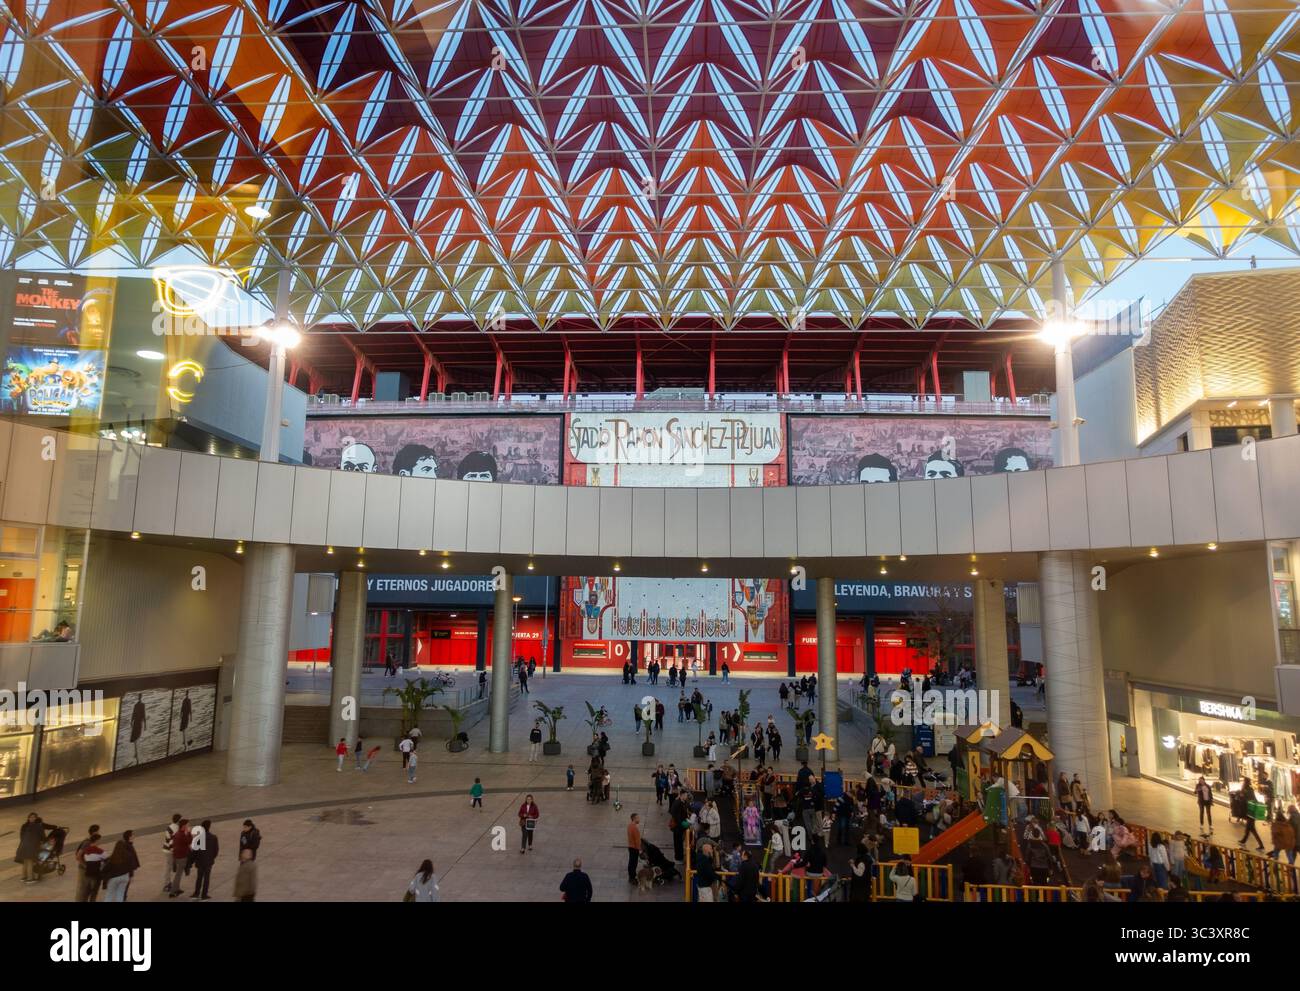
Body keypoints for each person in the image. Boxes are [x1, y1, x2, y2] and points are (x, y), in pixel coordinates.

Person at [102, 832, 140, 902]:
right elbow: (131, 866)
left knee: (109, 896)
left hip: (113, 878)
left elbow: (105, 869)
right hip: (125, 877)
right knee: (120, 895)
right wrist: (131, 876)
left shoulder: (113, 858)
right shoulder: (128, 856)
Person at [73, 826, 106, 902]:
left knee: (88, 889)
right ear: (94, 832)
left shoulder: (89, 842)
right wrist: (85, 866)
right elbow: (78, 856)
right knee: (83, 890)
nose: (99, 833)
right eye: (98, 831)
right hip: (84, 870)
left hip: (88, 869)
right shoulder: (87, 843)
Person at [191, 819, 219, 900]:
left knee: (199, 877)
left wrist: (193, 860)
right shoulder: (213, 837)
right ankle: (204, 894)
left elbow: (195, 851)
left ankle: (196, 893)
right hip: (208, 862)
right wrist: (211, 858)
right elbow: (216, 851)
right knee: (207, 878)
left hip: (200, 861)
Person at [1239, 778, 1265, 851]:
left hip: (1250, 811)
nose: (1243, 783)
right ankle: (1243, 841)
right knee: (1249, 828)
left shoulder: (1246, 790)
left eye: (1244, 781)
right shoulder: (1250, 789)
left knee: (1252, 829)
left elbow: (1246, 800)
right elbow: (1254, 799)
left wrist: (1242, 797)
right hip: (1251, 811)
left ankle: (1261, 845)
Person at [168, 819, 192, 897]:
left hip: (177, 856)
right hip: (181, 857)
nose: (189, 826)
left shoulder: (177, 833)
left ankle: (177, 889)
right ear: (184, 826)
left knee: (179, 874)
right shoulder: (182, 835)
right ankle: (173, 891)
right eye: (188, 825)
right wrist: (188, 833)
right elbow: (189, 841)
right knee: (178, 875)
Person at [162, 813, 182, 892]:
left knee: (169, 867)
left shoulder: (169, 827)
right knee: (169, 867)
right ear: (178, 821)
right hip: (171, 850)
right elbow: (172, 841)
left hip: (167, 849)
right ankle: (167, 884)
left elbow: (168, 839)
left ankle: (168, 883)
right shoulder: (177, 829)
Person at [626, 813, 642, 884]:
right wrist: (640, 849)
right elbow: (637, 840)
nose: (639, 819)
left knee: (631, 862)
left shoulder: (629, 826)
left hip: (631, 846)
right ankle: (632, 877)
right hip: (634, 848)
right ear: (634, 818)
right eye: (638, 818)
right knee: (633, 863)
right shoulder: (634, 828)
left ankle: (631, 876)